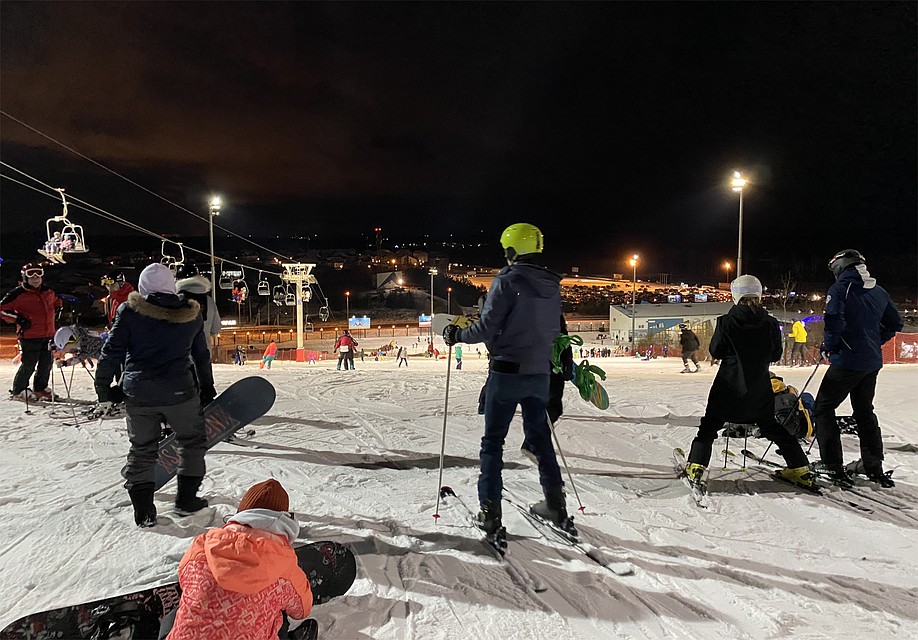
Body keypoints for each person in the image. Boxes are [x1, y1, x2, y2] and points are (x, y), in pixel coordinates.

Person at [443, 223, 574, 537]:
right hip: (539, 374)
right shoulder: (551, 285)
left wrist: (457, 334)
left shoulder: (507, 280)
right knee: (541, 440)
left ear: (512, 249)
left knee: (492, 444)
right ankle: (556, 504)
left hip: (506, 372)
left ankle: (490, 512)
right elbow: (554, 330)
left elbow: (487, 327)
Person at [95, 263, 215, 527]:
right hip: (180, 392)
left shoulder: (130, 311)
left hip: (139, 393)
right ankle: (186, 500)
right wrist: (207, 389)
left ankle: (144, 512)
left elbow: (111, 352)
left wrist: (104, 388)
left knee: (142, 449)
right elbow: (201, 357)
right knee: (192, 442)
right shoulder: (191, 314)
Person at [681, 275, 816, 490]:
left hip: (728, 387)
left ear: (736, 295)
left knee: (709, 427)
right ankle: (800, 468)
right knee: (772, 427)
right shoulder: (770, 322)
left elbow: (716, 350)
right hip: (759, 388)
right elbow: (775, 354)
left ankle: (697, 465)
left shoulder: (725, 321)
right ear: (759, 294)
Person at [163, 479, 313, 640]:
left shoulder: (202, 545)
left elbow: (184, 579)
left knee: (175, 614)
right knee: (280, 617)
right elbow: (301, 611)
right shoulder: (283, 563)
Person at [813, 250, 902, 487]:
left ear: (840, 267)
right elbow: (895, 323)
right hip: (871, 362)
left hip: (847, 360)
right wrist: (873, 341)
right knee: (864, 411)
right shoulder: (878, 291)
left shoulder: (840, 289)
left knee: (823, 408)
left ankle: (831, 464)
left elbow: (834, 321)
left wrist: (830, 347)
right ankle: (873, 465)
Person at [1, 263, 62, 400]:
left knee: (46, 363)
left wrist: (58, 312)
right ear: (25, 278)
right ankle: (19, 389)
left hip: (48, 334)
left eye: (39, 276)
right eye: (31, 276)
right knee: (29, 363)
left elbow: (57, 302)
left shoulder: (48, 292)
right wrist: (19, 319)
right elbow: (2, 309)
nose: (36, 279)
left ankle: (40, 388)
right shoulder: (17, 294)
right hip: (29, 335)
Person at [175, 264, 222, 358]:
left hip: (181, 356)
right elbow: (216, 328)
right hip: (204, 355)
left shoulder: (177, 300)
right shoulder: (209, 301)